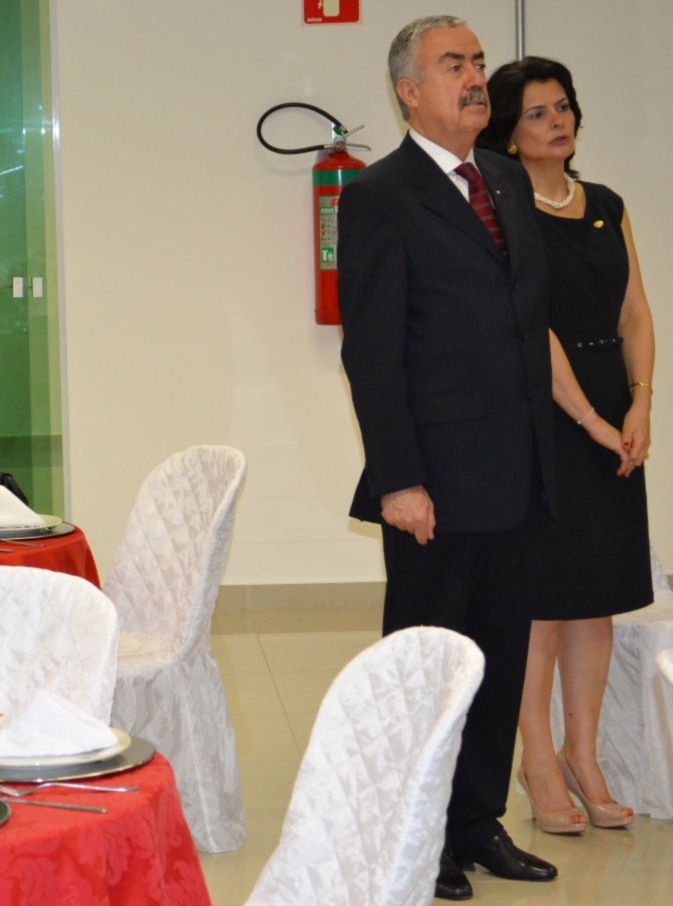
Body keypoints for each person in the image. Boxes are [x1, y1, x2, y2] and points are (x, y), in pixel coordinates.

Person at [338, 17, 558, 900]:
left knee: (498, 661)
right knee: (427, 666)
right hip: (435, 478)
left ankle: (474, 823)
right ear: (408, 90)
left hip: (518, 470)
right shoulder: (380, 194)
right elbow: (373, 350)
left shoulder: (505, 178)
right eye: (453, 65)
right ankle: (415, 831)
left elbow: (524, 325)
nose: (474, 78)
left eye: (477, 62)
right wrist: (399, 478)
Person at [477, 57, 652, 834]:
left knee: (596, 595)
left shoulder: (606, 204)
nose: (558, 121)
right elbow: (530, 327)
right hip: (547, 416)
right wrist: (589, 420)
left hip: (613, 409)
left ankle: (586, 756)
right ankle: (539, 760)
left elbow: (635, 313)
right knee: (542, 602)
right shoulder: (502, 208)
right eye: (538, 112)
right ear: (508, 133)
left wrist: (641, 401)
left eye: (564, 107)